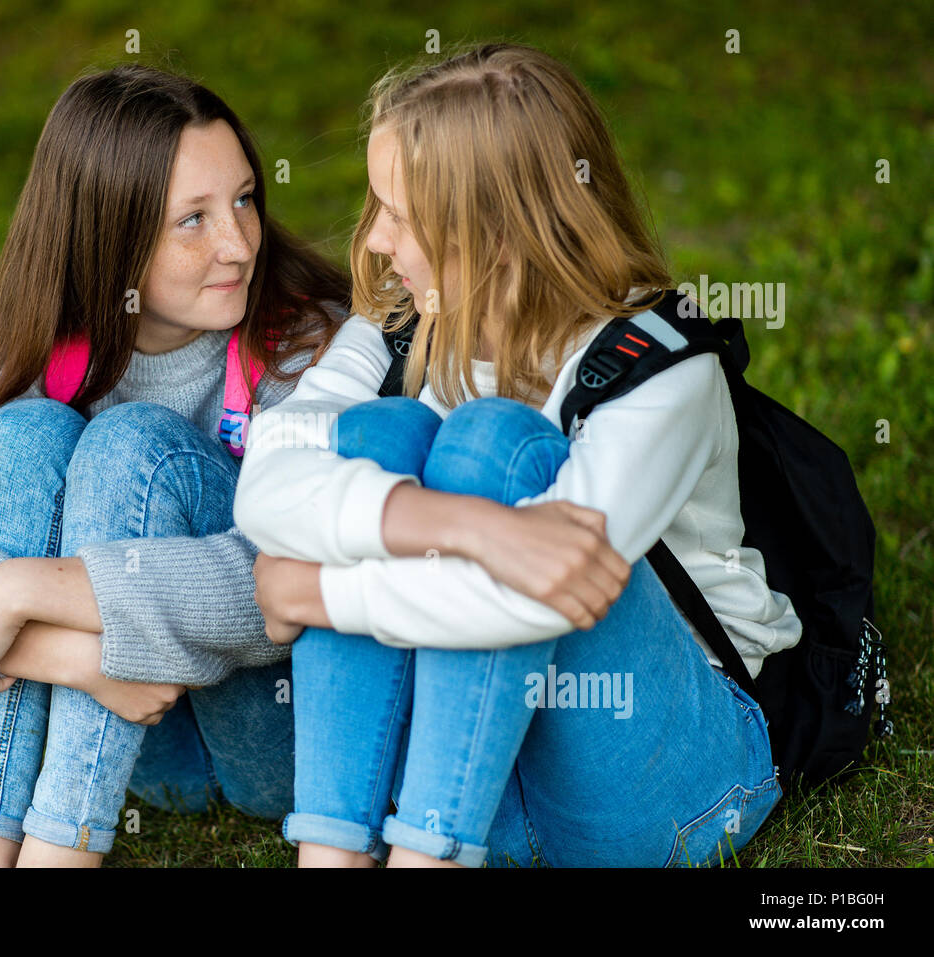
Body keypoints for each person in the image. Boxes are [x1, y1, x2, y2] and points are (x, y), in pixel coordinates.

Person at [235, 42, 802, 868]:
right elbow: (272, 476)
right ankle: (333, 853)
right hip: (481, 766)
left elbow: (546, 595)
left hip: (648, 778)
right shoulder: (403, 320)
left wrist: (310, 588)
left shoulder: (658, 367)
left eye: (400, 213)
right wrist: (459, 526)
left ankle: (427, 858)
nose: (376, 240)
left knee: (491, 443)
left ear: (493, 232)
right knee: (373, 440)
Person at [0, 64, 348, 867]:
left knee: (129, 447)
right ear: (108, 235)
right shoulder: (41, 355)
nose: (238, 243)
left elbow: (288, 587)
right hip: (150, 748)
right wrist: (78, 657)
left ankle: (58, 855)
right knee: (20, 434)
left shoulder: (310, 348)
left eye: (245, 198)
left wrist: (18, 591)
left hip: (274, 740)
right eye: (193, 219)